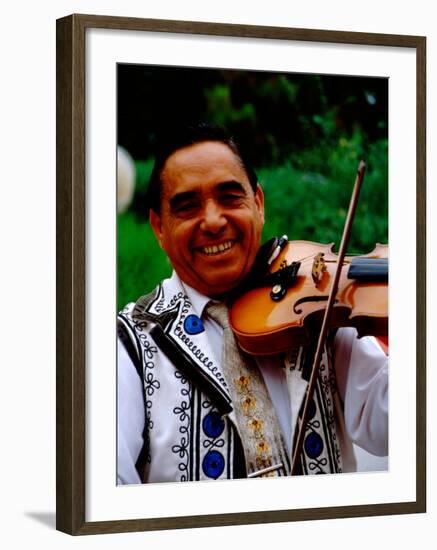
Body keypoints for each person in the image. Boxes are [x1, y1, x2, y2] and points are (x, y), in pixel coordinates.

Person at [117, 123, 388, 484]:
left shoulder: (316, 311)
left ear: (258, 204)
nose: (213, 221)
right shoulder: (128, 344)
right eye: (187, 207)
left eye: (230, 197)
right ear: (158, 227)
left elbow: (391, 422)